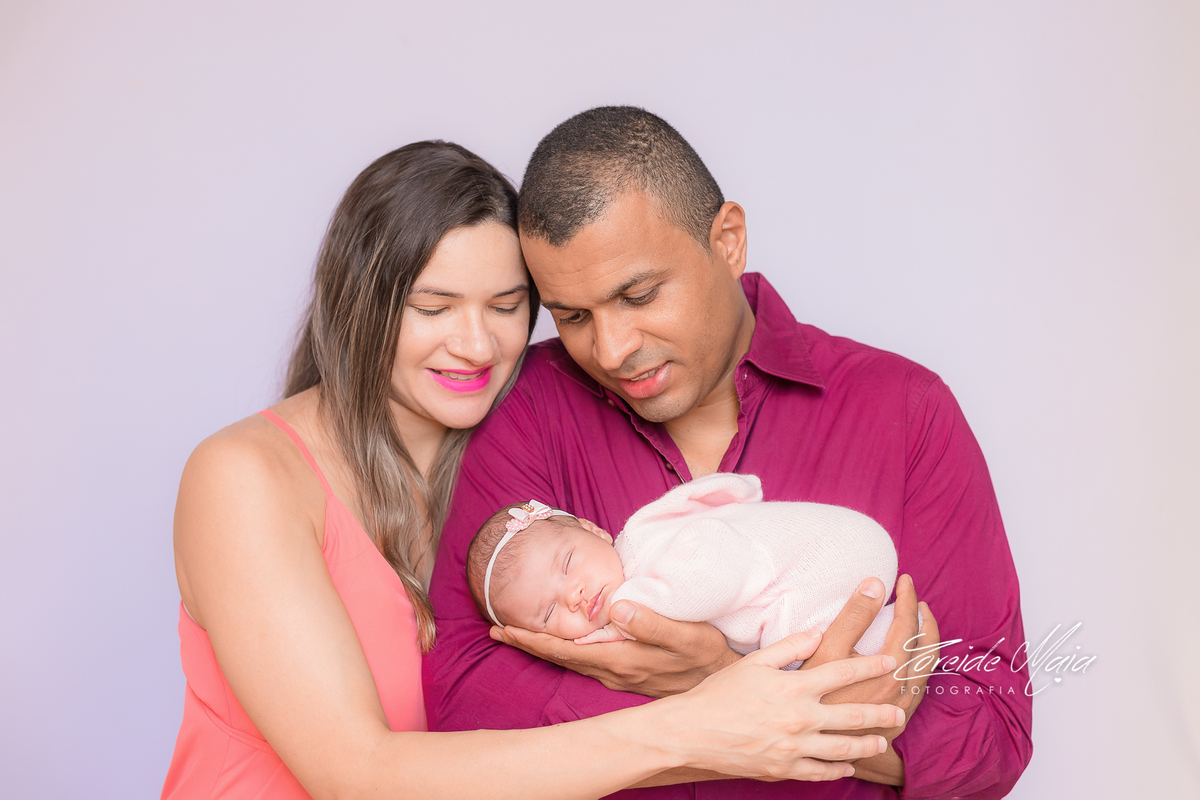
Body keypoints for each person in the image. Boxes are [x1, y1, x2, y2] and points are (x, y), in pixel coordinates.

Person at [162, 140, 911, 800]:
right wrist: (698, 725)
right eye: (434, 307)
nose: (475, 344)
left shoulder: (516, 475)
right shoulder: (244, 478)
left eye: (505, 306)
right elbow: (354, 776)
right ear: (359, 303)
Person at [424, 107, 1034, 798]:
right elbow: (466, 699)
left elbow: (993, 736)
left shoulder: (905, 411)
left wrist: (716, 676)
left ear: (729, 241)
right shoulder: (527, 406)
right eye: (573, 316)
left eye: (639, 295)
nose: (612, 349)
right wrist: (725, 706)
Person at [468, 474, 899, 658]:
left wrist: (626, 618)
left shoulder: (643, 550)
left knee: (788, 664)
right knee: (824, 653)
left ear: (594, 530)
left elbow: (713, 574)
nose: (573, 595)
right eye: (549, 612)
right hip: (828, 571)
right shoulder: (634, 562)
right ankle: (898, 630)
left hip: (829, 555)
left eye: (567, 564)